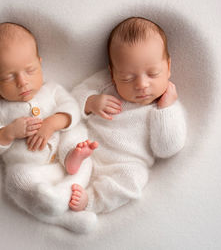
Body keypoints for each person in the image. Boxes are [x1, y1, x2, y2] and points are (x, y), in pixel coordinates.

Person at [0, 22, 97, 233]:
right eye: (8, 77)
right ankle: (63, 215)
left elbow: (72, 109)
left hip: (63, 157)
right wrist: (8, 132)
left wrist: (52, 123)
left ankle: (74, 163)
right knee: (15, 181)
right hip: (34, 174)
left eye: (30, 70)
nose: (22, 82)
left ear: (39, 64)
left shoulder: (51, 91)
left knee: (75, 135)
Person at [67, 17, 187, 213]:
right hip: (85, 147)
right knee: (66, 136)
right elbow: (71, 100)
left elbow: (167, 149)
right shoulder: (105, 85)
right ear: (112, 73)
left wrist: (165, 110)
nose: (141, 84)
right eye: (127, 77)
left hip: (124, 163)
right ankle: (71, 165)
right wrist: (90, 102)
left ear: (168, 67)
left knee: (135, 178)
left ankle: (91, 201)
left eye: (153, 73)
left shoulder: (166, 107)